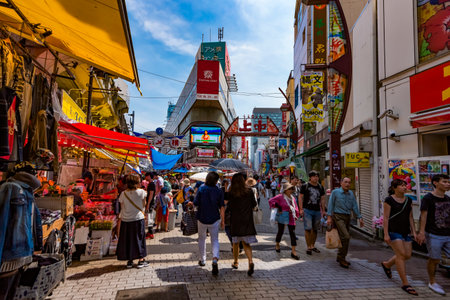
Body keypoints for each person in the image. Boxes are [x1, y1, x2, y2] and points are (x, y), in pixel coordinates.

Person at [381, 179, 418, 296]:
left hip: (405, 231)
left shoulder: (408, 200)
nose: (404, 187)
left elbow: (410, 217)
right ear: (394, 188)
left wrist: (414, 231)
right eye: (401, 186)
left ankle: (387, 264)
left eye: (404, 185)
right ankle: (405, 283)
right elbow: (386, 218)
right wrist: (386, 234)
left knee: (407, 255)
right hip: (393, 231)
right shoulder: (389, 200)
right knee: (401, 255)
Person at [417, 174, 450, 296]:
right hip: (433, 234)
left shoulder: (447, 198)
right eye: (444, 181)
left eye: (448, 182)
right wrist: (421, 232)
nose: (447, 184)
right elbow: (423, 216)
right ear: (436, 183)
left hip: (448, 233)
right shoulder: (428, 198)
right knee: (434, 259)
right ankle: (432, 282)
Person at [188, 171, 225, 275]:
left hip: (202, 217)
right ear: (216, 180)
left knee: (202, 239)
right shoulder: (219, 191)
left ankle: (202, 259)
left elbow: (195, 203)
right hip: (214, 218)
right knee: (215, 240)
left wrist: (191, 204)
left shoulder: (201, 189)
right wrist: (223, 221)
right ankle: (214, 259)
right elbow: (222, 207)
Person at [327, 177, 364, 268]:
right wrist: (329, 217)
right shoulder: (335, 192)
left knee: (344, 237)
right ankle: (341, 258)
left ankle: (341, 257)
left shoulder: (351, 193)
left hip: (348, 217)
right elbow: (330, 204)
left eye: (349, 182)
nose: (347, 184)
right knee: (346, 236)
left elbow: (354, 206)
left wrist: (359, 217)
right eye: (345, 182)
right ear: (341, 183)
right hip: (338, 216)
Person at [227, 173, 258, 276]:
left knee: (235, 243)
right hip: (247, 220)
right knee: (246, 243)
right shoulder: (249, 191)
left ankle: (236, 262)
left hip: (236, 221)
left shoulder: (232, 192)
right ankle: (250, 262)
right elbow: (254, 204)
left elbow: (229, 207)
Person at [116, 174, 148, 269]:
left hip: (126, 220)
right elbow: (144, 204)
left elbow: (122, 207)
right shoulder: (141, 192)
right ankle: (141, 260)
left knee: (128, 240)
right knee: (139, 238)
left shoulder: (123, 194)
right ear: (137, 182)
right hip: (138, 218)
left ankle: (130, 260)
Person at [269, 182, 300, 260]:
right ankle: (277, 244)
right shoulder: (280, 197)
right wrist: (278, 206)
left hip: (291, 216)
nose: (290, 190)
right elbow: (271, 201)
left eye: (291, 188)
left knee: (292, 233)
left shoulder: (292, 198)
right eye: (289, 189)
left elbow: (295, 207)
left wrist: (296, 214)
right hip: (283, 215)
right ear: (285, 190)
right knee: (281, 231)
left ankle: (293, 251)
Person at [299, 171, 325, 255]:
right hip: (307, 210)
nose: (316, 178)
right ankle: (308, 247)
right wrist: (301, 209)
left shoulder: (320, 187)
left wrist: (323, 210)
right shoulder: (305, 186)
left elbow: (323, 199)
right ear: (310, 177)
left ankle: (313, 245)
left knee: (315, 229)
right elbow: (300, 197)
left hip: (317, 210)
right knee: (308, 228)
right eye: (314, 176)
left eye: (317, 176)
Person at [144, 172, 155, 239]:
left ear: (149, 176)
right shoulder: (151, 184)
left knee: (149, 218)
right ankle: (149, 232)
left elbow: (151, 195)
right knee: (149, 217)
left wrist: (148, 204)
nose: (145, 178)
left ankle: (150, 233)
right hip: (150, 203)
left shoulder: (152, 184)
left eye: (146, 176)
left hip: (150, 203)